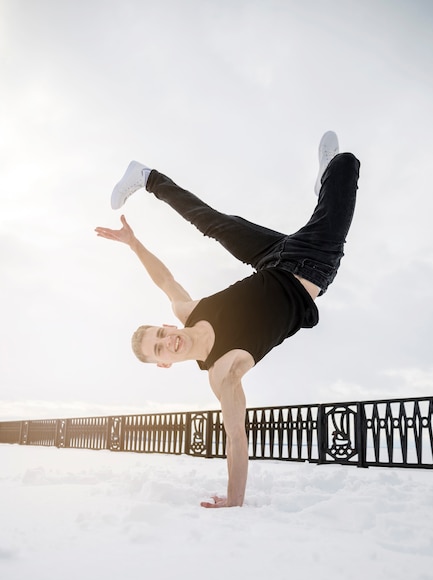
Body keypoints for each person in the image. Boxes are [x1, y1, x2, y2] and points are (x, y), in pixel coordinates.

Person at [95, 131, 360, 508]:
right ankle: (327, 181)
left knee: (213, 223)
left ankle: (146, 177)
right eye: (158, 350)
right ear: (166, 363)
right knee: (346, 164)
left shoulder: (187, 311)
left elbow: (164, 279)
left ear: (167, 327)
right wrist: (235, 499)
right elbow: (236, 436)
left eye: (159, 334)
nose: (165, 341)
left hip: (271, 256)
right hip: (314, 265)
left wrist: (133, 243)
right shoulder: (223, 373)